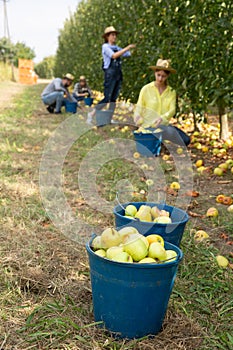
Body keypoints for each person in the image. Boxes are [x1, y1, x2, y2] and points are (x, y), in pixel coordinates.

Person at [134, 59, 190, 146]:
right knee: (151, 145)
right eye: (158, 75)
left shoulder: (171, 91)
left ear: (167, 76)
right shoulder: (146, 89)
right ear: (154, 73)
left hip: (163, 126)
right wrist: (137, 116)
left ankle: (160, 140)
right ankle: (156, 141)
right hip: (148, 126)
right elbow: (139, 106)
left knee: (186, 140)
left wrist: (162, 118)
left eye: (163, 76)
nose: (160, 78)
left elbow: (172, 110)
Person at [87, 26, 136, 124]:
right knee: (107, 97)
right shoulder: (105, 47)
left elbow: (127, 54)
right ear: (107, 37)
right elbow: (114, 56)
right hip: (110, 75)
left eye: (115, 35)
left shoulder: (116, 48)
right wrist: (127, 48)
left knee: (114, 99)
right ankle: (92, 114)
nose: (115, 37)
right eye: (112, 35)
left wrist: (133, 49)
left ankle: (109, 118)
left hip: (117, 74)